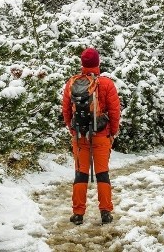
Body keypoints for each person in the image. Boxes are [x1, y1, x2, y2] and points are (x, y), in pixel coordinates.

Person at [61, 47, 121, 225]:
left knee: (80, 174)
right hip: (101, 135)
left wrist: (73, 130)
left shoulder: (72, 83)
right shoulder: (107, 84)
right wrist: (112, 132)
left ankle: (78, 213)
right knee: (102, 174)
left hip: (80, 136)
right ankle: (105, 212)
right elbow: (115, 111)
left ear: (82, 64)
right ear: (98, 63)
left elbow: (65, 111)